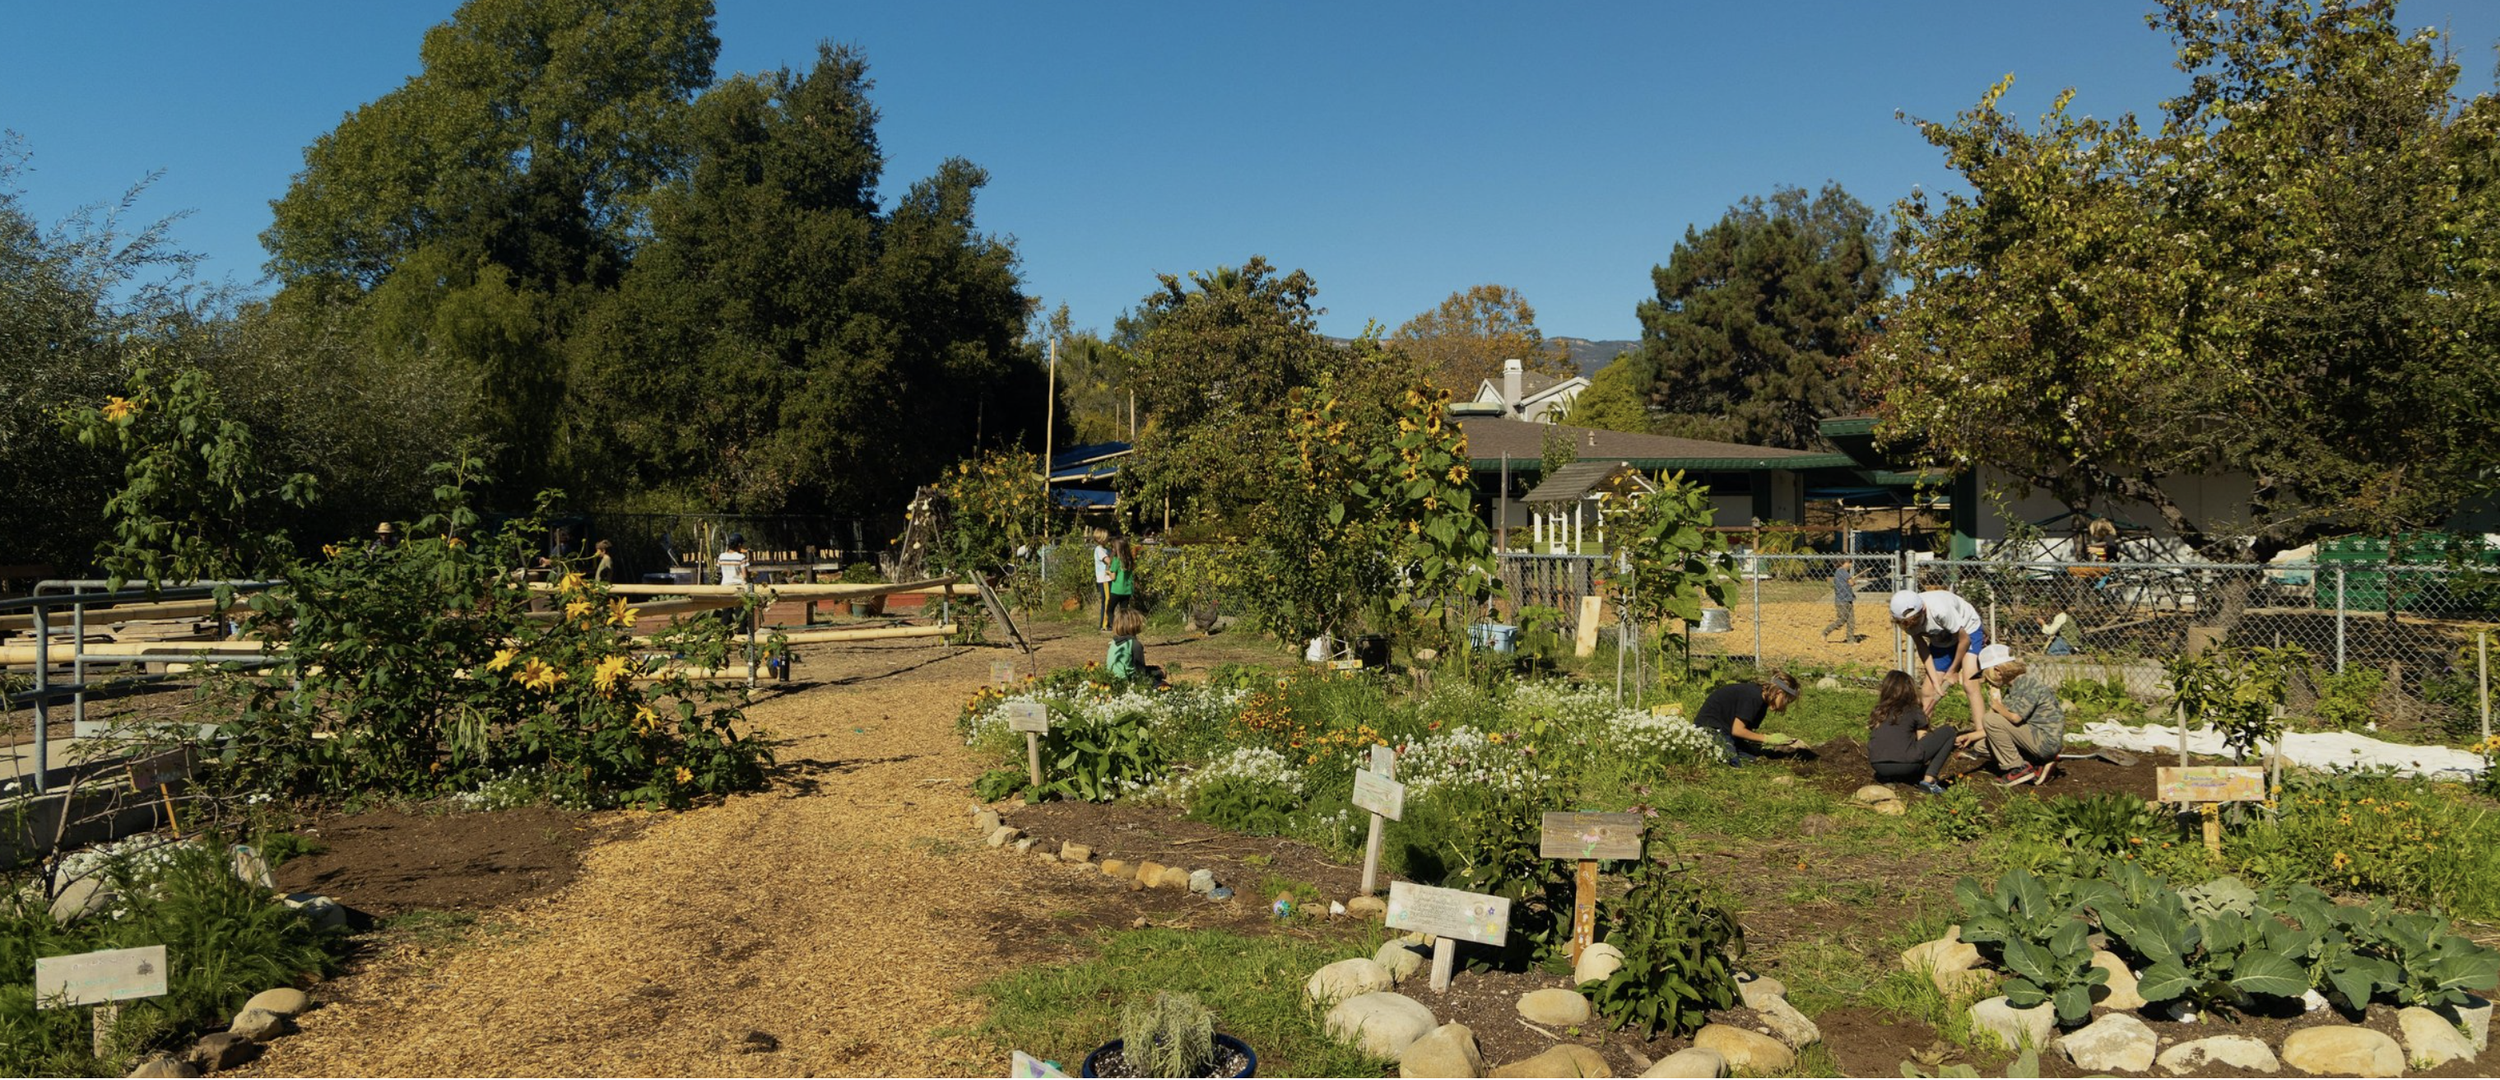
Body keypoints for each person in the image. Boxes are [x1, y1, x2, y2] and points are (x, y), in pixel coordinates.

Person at [1890, 587, 1988, 738]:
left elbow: (1964, 640)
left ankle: (1982, 736)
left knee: (1969, 682)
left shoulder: (1941, 610)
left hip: (1968, 631)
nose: (1913, 626)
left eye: (1916, 622)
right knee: (1928, 691)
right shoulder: (1906, 622)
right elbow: (1922, 648)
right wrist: (1936, 681)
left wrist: (1953, 670)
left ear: (1923, 609)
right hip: (1942, 640)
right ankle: (1921, 741)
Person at [1974, 644, 2065, 785]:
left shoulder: (2027, 682)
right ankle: (2036, 764)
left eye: (1985, 676)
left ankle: (2018, 768)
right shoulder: (2013, 688)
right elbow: (2000, 726)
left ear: (1997, 671)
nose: (1985, 681)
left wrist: (1997, 704)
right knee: (1981, 747)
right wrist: (1968, 737)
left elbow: (2015, 718)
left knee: (1990, 719)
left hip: (2045, 741)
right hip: (2034, 737)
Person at [1867, 670, 1957, 794]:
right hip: (1907, 765)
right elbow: (1922, 739)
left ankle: (1889, 778)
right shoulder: (1913, 709)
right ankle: (1929, 781)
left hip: (1878, 764)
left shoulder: (1878, 711)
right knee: (1949, 731)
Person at [1690, 669, 1802, 765]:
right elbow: (1738, 730)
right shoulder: (1753, 697)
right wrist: (1767, 738)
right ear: (1779, 693)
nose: (1785, 707)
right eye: (1786, 702)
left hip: (1727, 733)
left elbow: (1744, 731)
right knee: (1733, 761)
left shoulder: (1761, 703)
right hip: (1709, 730)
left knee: (1753, 758)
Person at [1105, 607, 1164, 686]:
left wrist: (1153, 668)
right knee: (1164, 686)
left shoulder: (1113, 643)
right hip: (1129, 683)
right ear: (1134, 625)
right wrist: (1160, 673)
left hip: (1113, 682)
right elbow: (1141, 673)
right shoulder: (1134, 645)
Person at [1821, 560, 1859, 642]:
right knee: (1842, 620)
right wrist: (1854, 581)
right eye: (1849, 563)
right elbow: (1851, 583)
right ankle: (1825, 632)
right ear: (1844, 563)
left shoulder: (1839, 572)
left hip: (1847, 599)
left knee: (1851, 621)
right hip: (1842, 601)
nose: (1850, 565)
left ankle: (1850, 640)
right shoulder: (1843, 572)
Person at [1092, 527, 1116, 632]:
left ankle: (1108, 623)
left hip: (1108, 578)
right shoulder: (1099, 550)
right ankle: (1104, 625)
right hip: (1104, 579)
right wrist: (1114, 553)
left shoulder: (1106, 549)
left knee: (1109, 601)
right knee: (1107, 601)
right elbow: (1108, 561)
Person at [1107, 536, 1136, 619]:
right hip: (1127, 590)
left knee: (1110, 610)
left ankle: (1115, 627)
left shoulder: (1116, 560)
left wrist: (1108, 572)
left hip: (1116, 590)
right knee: (1124, 612)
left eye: (1113, 547)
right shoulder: (1129, 560)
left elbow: (1113, 577)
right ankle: (1125, 628)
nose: (1112, 549)